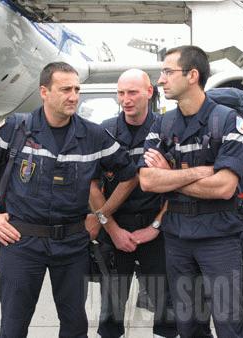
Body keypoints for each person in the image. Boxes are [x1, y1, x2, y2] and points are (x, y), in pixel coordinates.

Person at [0, 62, 137, 338]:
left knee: (74, 326)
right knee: (13, 326)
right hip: (21, 241)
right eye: (65, 89)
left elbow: (129, 176)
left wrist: (101, 215)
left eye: (76, 89)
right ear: (44, 92)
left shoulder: (93, 136)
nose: (73, 96)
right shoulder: (15, 128)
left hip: (72, 244)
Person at [138, 46, 243, 338]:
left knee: (229, 326)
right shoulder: (162, 124)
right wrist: (200, 173)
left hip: (218, 239)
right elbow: (148, 180)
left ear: (192, 76)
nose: (160, 80)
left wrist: (170, 174)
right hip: (177, 239)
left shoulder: (227, 121)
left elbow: (225, 187)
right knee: (188, 326)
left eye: (168, 72)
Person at [89, 69, 178, 338]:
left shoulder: (168, 130)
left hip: (157, 230)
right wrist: (113, 230)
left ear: (149, 92)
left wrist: (155, 227)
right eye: (121, 93)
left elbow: (178, 185)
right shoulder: (103, 131)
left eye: (132, 92)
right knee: (111, 310)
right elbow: (91, 185)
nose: (125, 99)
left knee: (167, 308)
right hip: (115, 227)